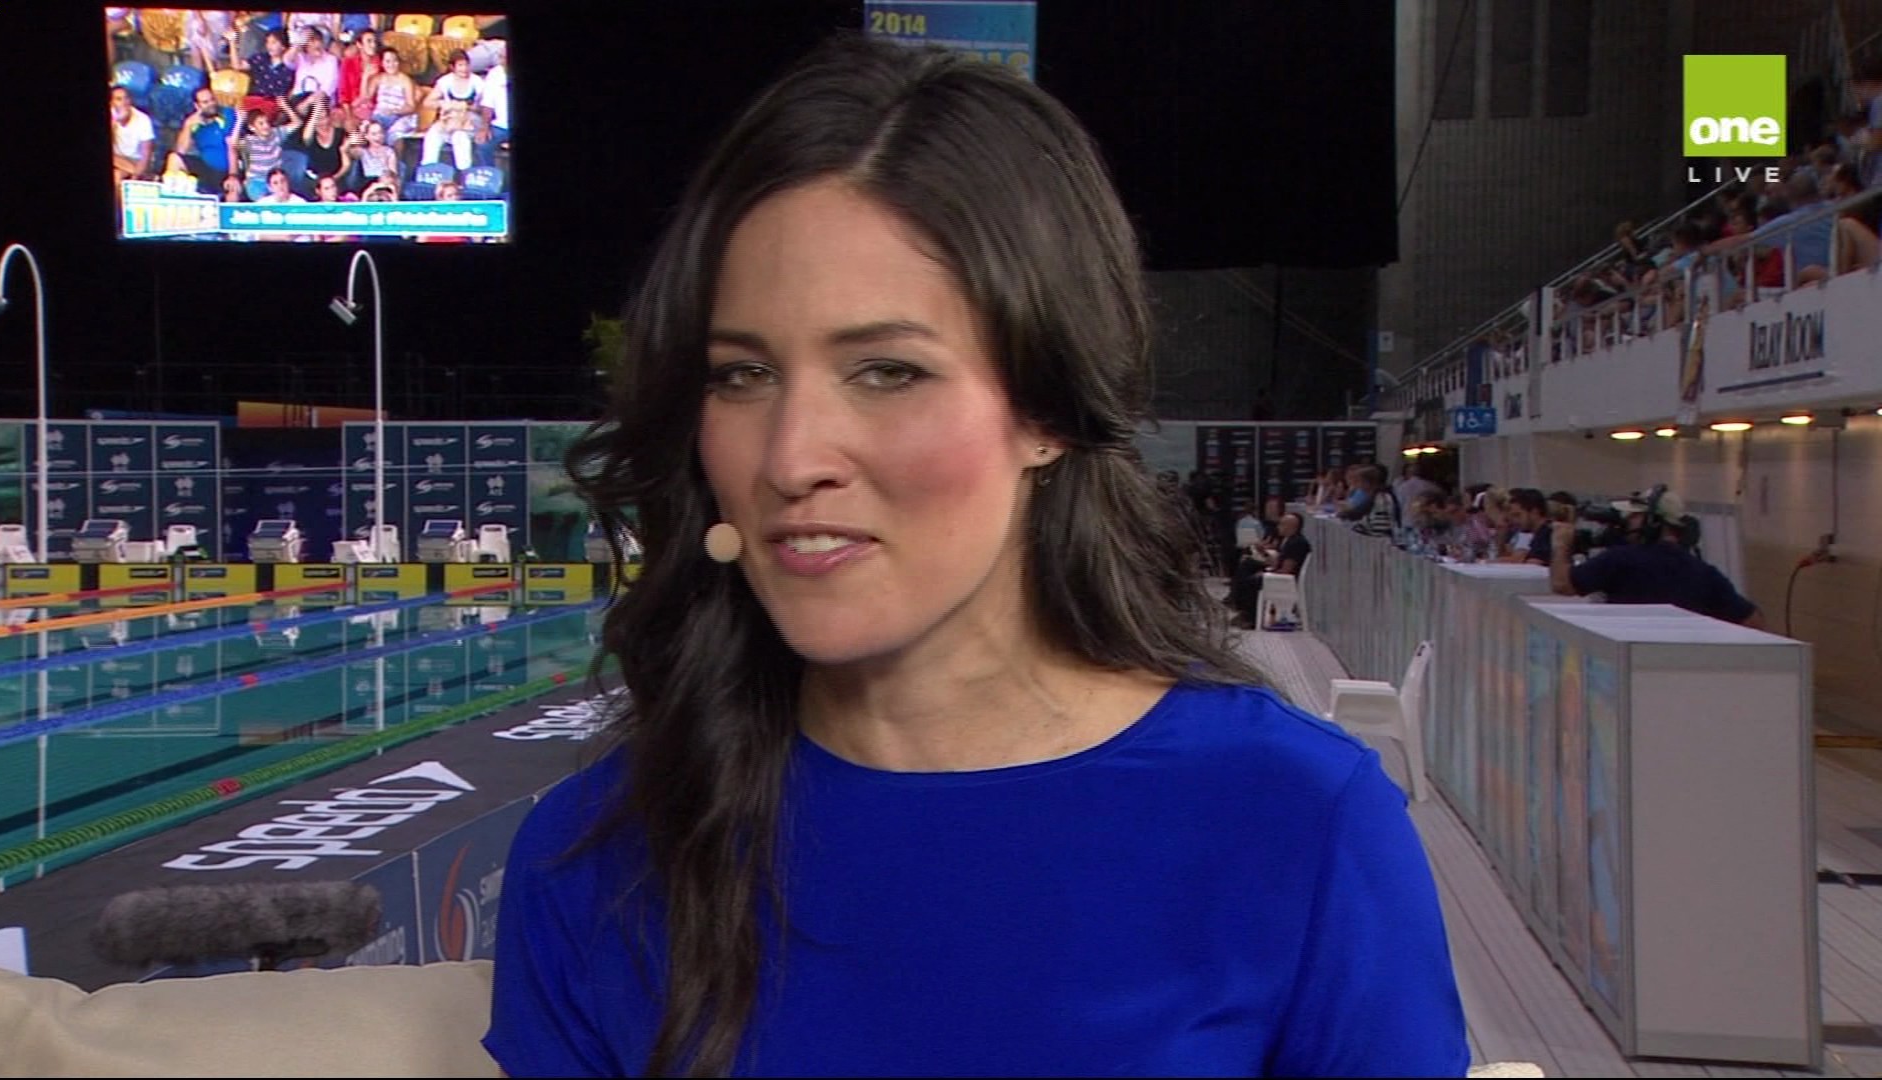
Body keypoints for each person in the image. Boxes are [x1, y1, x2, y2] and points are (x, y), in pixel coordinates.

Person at [484, 36, 1468, 1079]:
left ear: (1047, 408)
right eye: (742, 376)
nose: (791, 457)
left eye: (887, 371)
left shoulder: (1298, 826)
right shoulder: (593, 861)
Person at [1549, 486, 1763, 627]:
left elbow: (1562, 584)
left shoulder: (1620, 560)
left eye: (1635, 516)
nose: (1627, 522)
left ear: (1653, 521)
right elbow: (1754, 622)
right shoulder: (1705, 573)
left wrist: (1561, 543)